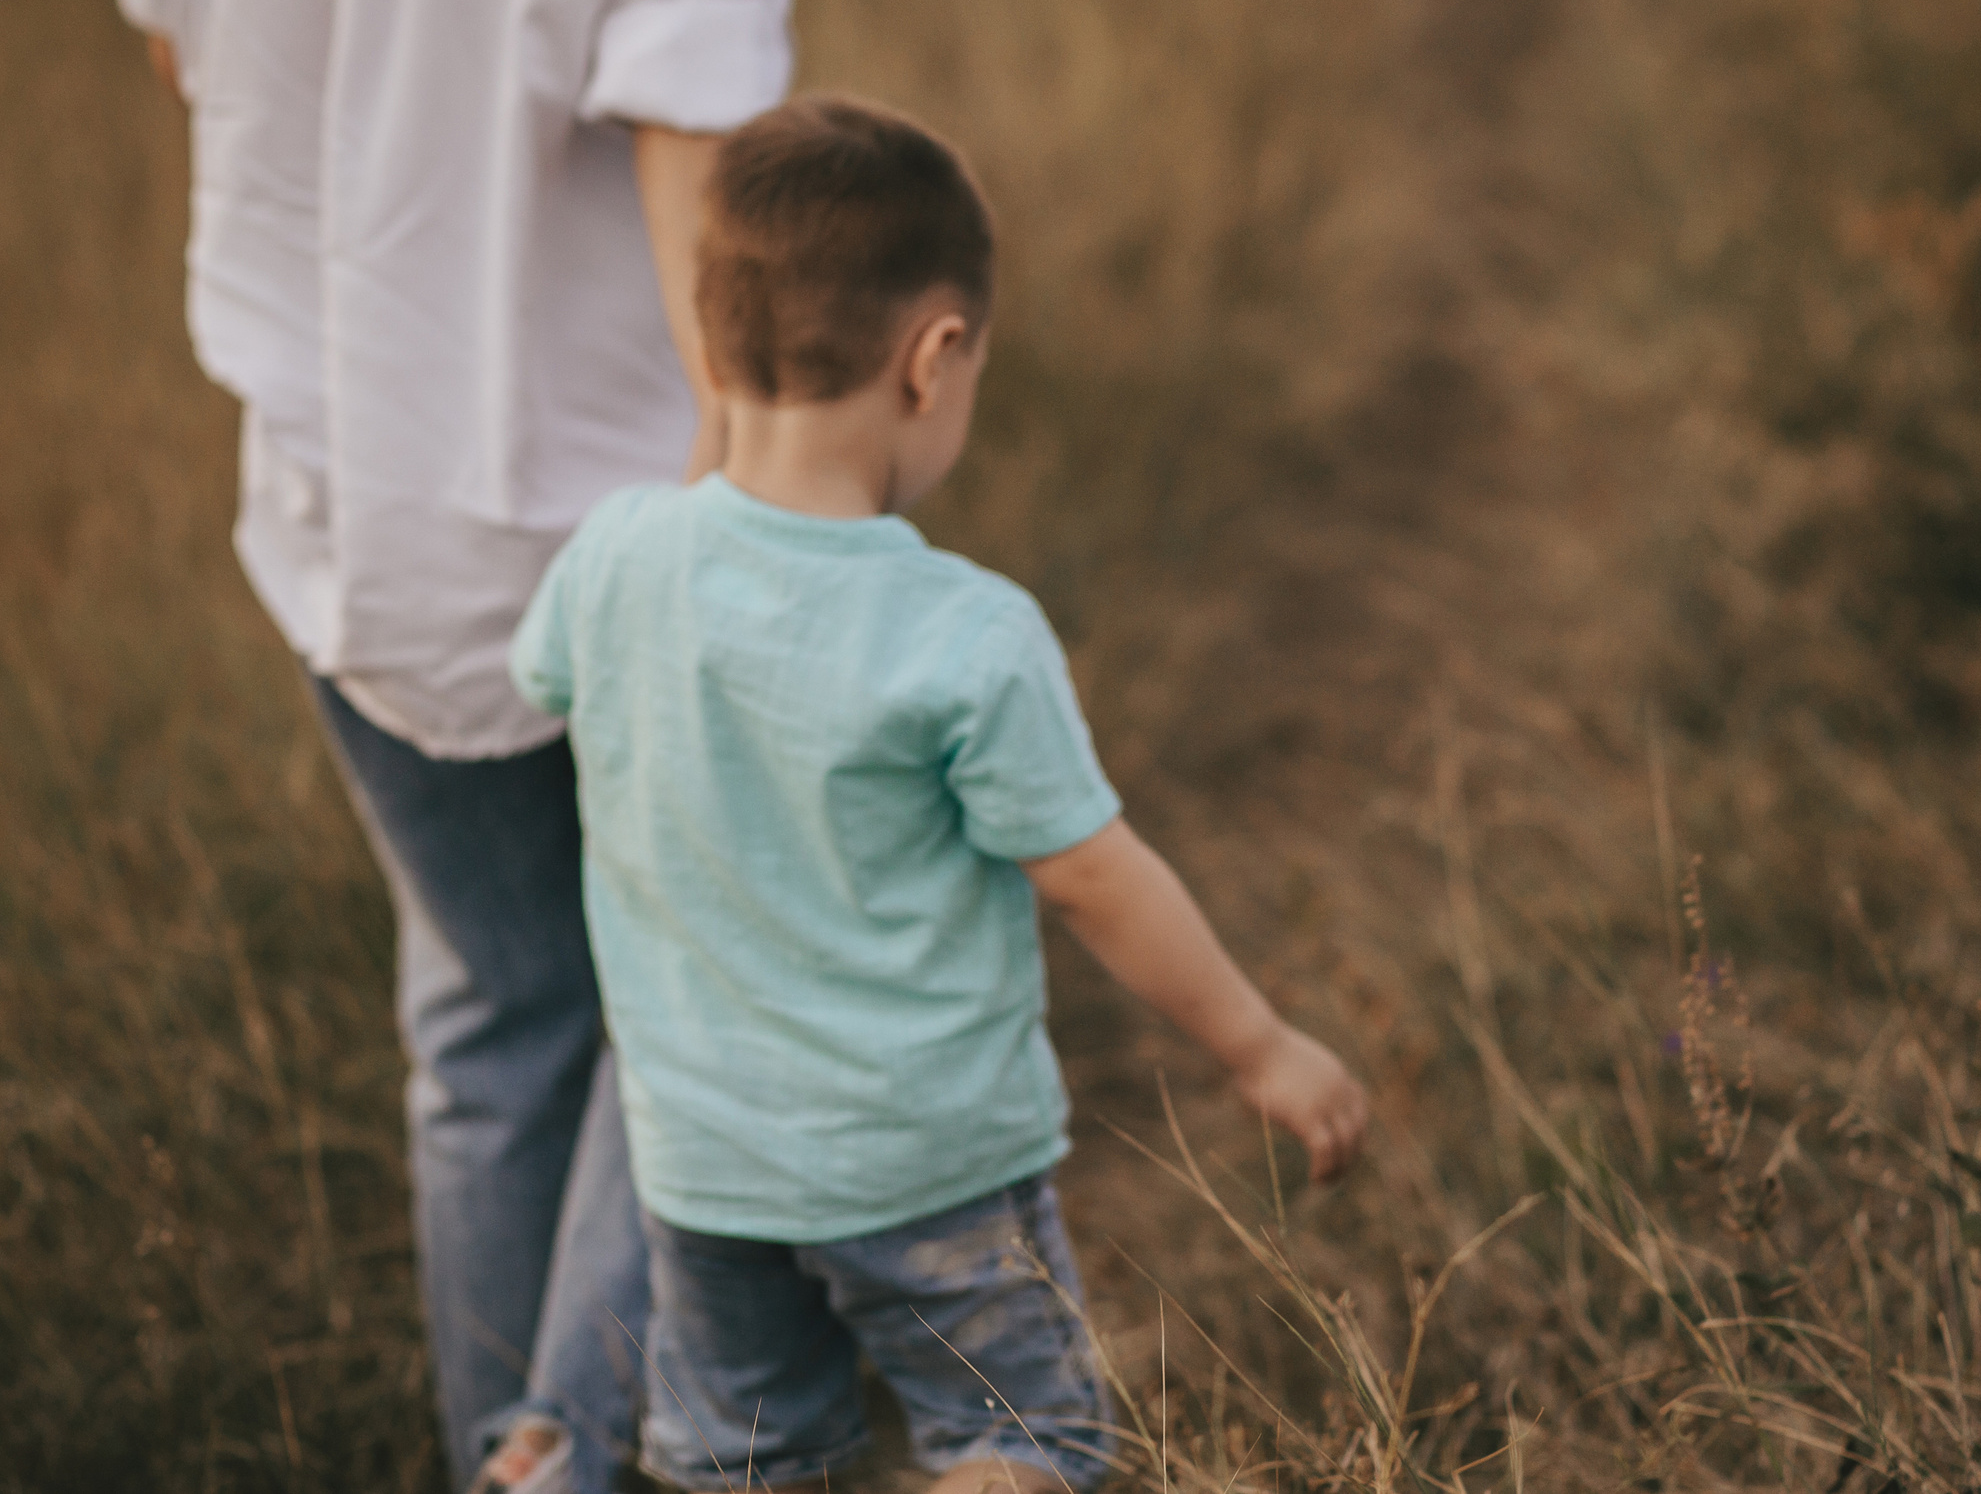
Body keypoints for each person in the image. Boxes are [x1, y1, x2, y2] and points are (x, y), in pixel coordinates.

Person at [506, 97, 1372, 1494]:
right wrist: (1258, 1045)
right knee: (1024, 1440)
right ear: (933, 359)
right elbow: (1090, 875)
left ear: (711, 342)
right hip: (928, 1163)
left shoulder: (613, 560)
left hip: (704, 1168)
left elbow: (545, 677)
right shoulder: (965, 634)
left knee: (749, 1462)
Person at [98, 0, 799, 1490]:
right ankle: (566, 1450)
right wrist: (739, 460)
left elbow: (175, 28)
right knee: (703, 974)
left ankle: (513, 1447)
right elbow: (691, 87)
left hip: (341, 483)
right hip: (620, 458)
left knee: (493, 1017)